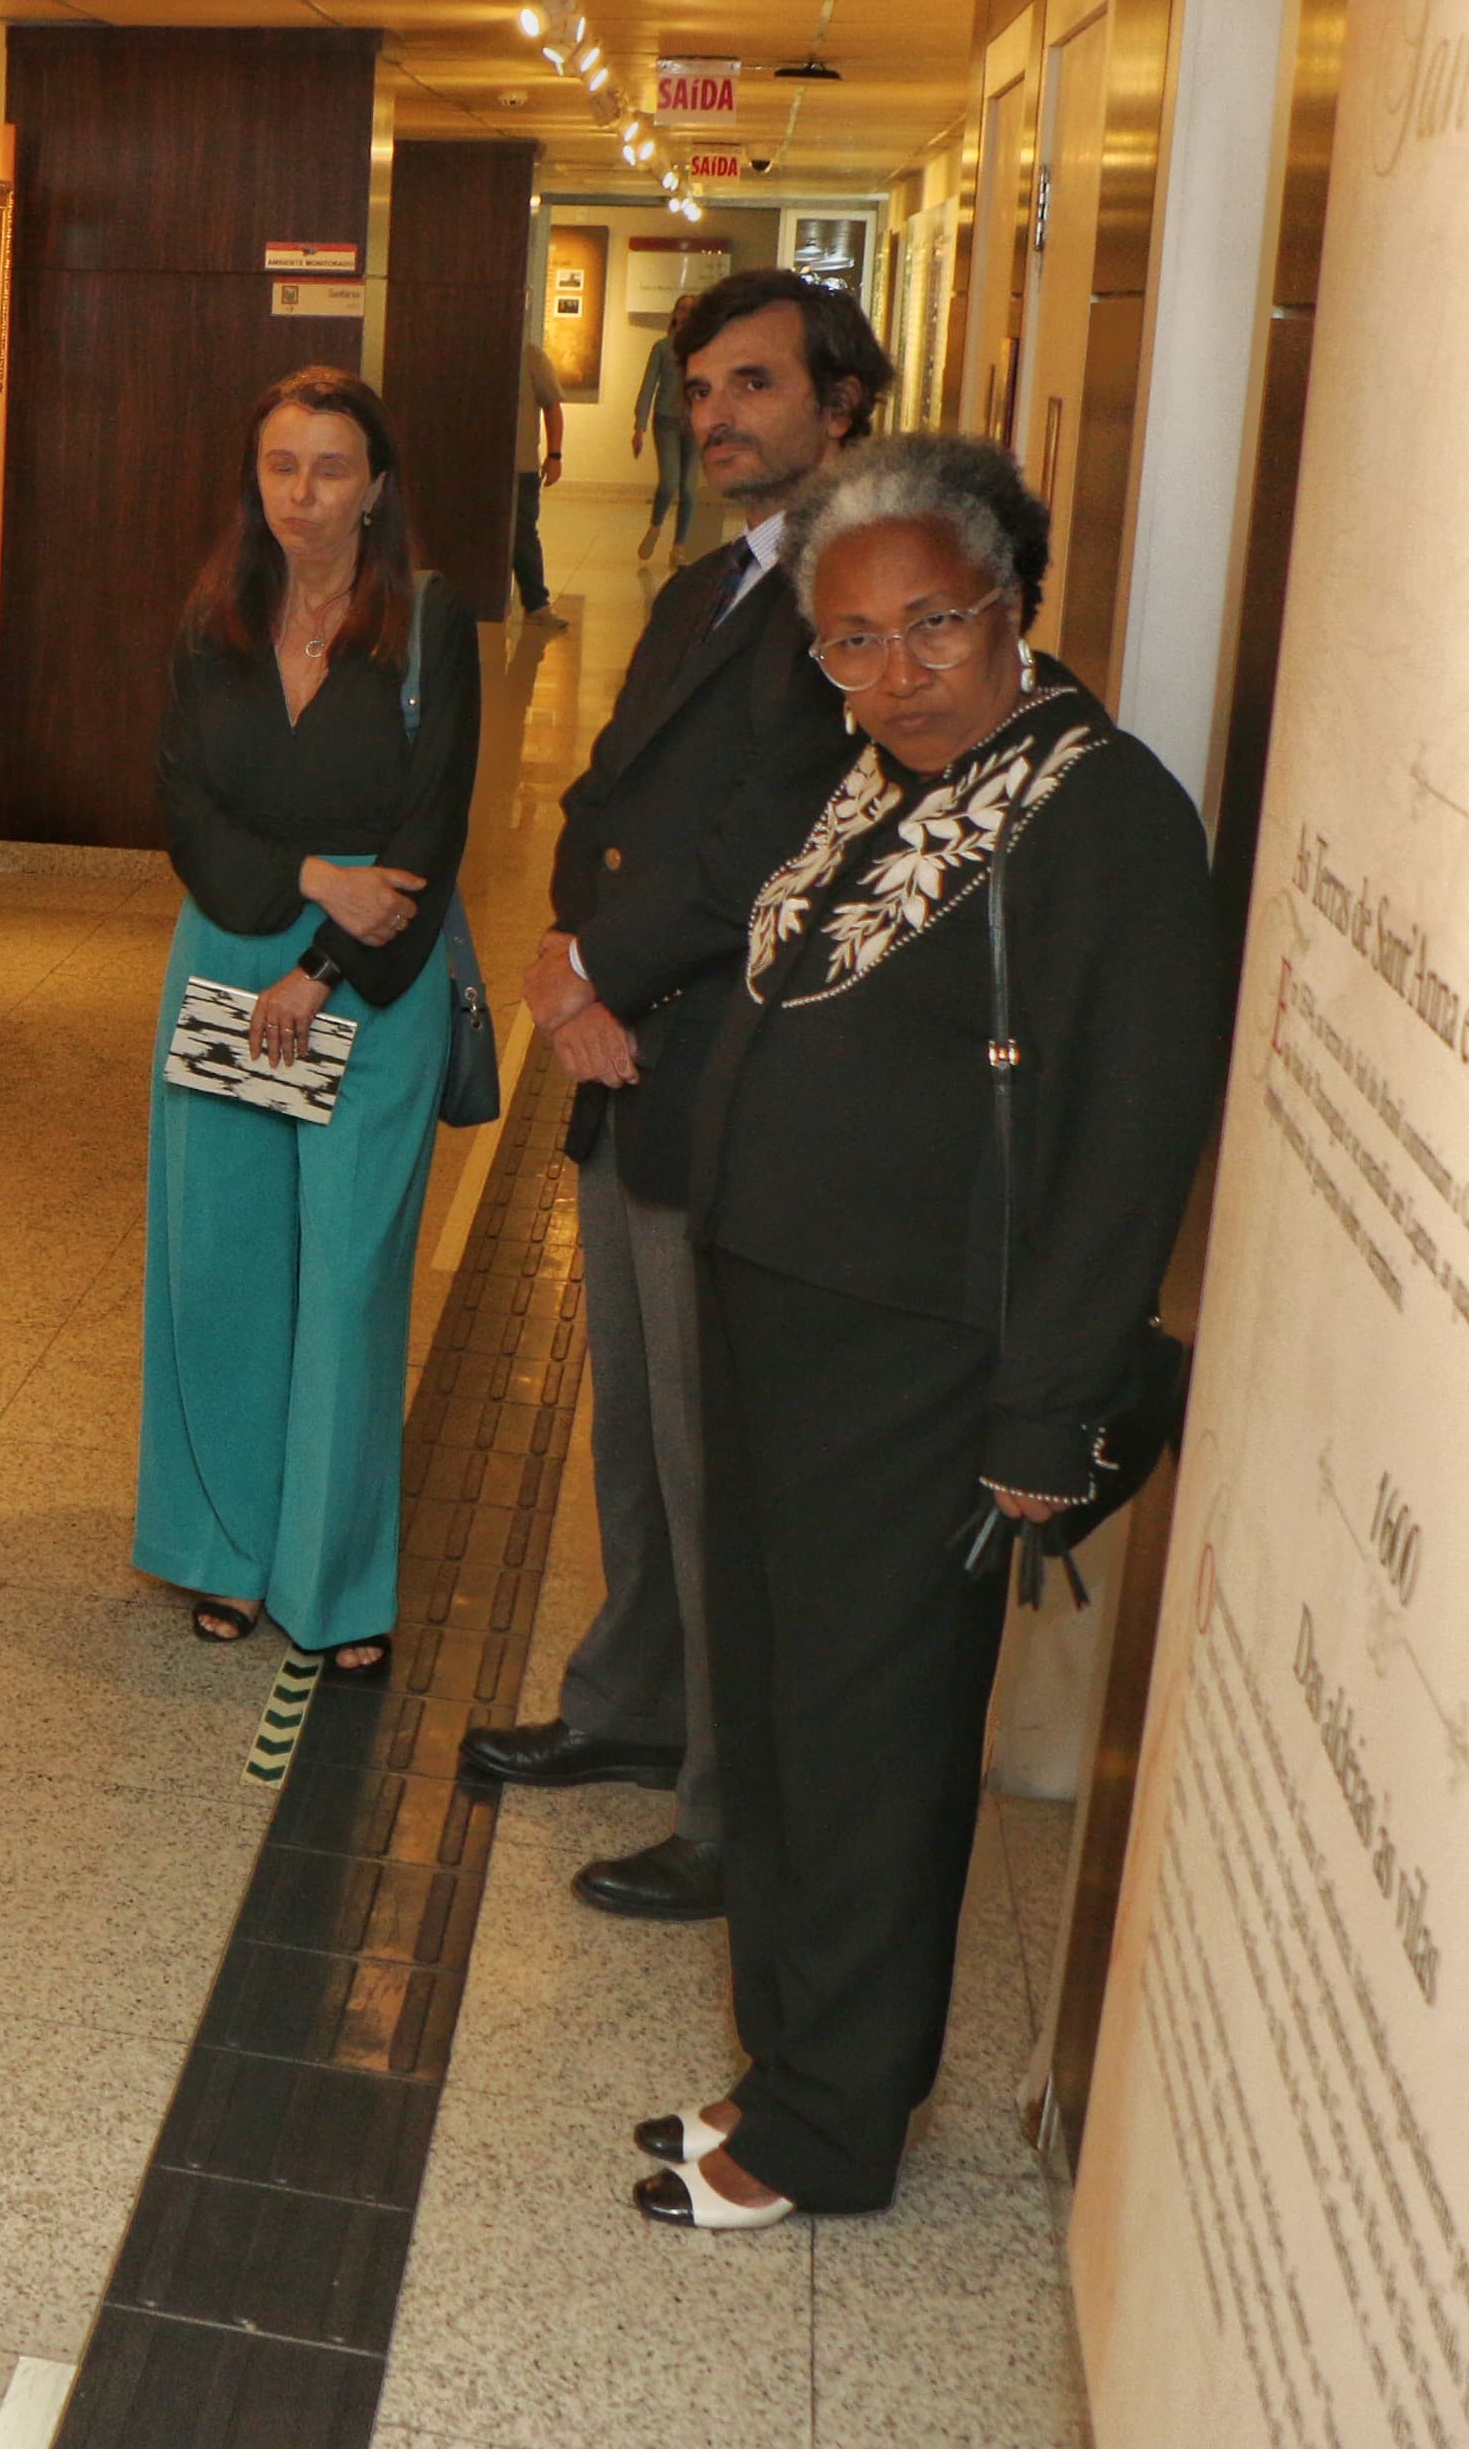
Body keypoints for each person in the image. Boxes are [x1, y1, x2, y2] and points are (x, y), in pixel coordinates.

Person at [638, 436, 1220, 2228]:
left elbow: (1128, 1128)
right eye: (851, 640)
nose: (892, 673)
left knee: (874, 1733)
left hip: (925, 1349)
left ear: (1012, 608)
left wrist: (1046, 1409)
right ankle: (802, 2056)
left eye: (932, 628)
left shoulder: (1102, 808)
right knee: (784, 1709)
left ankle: (828, 2130)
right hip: (783, 1311)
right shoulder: (874, 778)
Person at [466, 268, 879, 1921]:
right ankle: (630, 1708)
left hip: (721, 1070)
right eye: (704, 388)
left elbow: (772, 845)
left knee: (718, 1462)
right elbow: (611, 779)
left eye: (757, 386)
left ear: (840, 402)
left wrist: (594, 979)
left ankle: (729, 1807)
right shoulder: (717, 577)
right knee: (633, 1428)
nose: (720, 418)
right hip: (631, 1054)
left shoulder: (856, 589)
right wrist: (564, 945)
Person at [137, 368, 478, 1676]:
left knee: (343, 1283)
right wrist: (298, 883)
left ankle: (332, 1584)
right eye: (282, 464)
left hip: (368, 985)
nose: (305, 491)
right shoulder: (214, 618)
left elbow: (430, 828)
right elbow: (184, 804)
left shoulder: (429, 626)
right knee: (221, 1270)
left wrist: (324, 962)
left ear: (377, 483)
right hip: (227, 961)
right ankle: (220, 1549)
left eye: (332, 466)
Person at [633, 323, 699, 561]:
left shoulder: (703, 346)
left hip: (694, 423)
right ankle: (656, 525)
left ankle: (679, 546)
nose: (686, 316)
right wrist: (639, 425)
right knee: (669, 482)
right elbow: (648, 385)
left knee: (689, 490)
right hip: (666, 421)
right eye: (683, 309)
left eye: (692, 311)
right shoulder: (662, 348)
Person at [511, 337, 565, 622]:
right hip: (481, 469)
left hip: (522, 465)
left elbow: (552, 406)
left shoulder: (531, 356)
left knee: (524, 534)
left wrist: (554, 455)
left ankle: (536, 603)